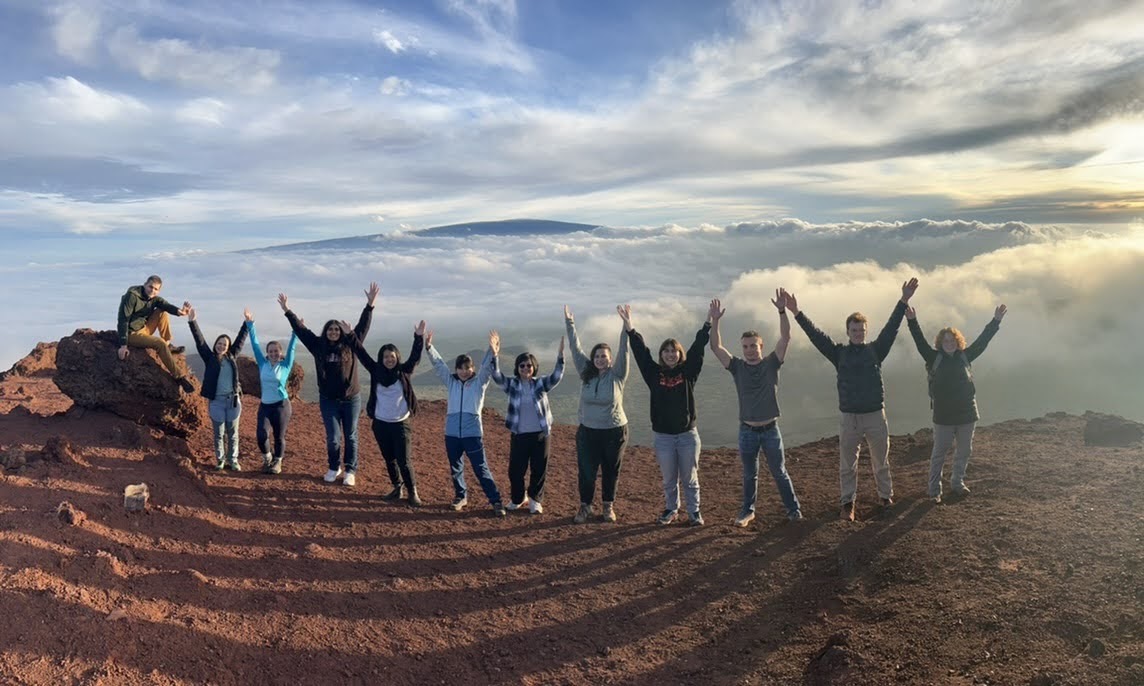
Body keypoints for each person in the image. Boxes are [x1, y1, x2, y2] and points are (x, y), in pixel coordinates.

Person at [787, 278, 918, 521]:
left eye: (862, 331)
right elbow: (817, 337)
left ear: (866, 332)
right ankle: (848, 504)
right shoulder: (839, 353)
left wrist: (903, 301)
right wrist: (797, 313)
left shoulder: (876, 350)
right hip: (849, 417)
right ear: (848, 332)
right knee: (847, 464)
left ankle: (885, 496)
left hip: (874, 415)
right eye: (854, 330)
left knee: (881, 461)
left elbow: (891, 329)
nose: (858, 334)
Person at [709, 292, 802, 527]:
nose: (750, 350)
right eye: (746, 346)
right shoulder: (737, 367)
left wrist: (782, 311)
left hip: (771, 429)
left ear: (761, 346)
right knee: (749, 474)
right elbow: (715, 346)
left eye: (754, 346)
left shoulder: (772, 363)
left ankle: (793, 510)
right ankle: (747, 511)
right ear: (742, 348)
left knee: (780, 472)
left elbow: (786, 337)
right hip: (747, 430)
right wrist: (715, 320)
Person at [279, 283, 378, 486]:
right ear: (326, 331)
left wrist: (369, 305)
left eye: (337, 329)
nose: (333, 331)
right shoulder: (318, 346)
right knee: (333, 437)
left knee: (350, 435)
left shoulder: (351, 343)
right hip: (328, 400)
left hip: (351, 399)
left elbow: (363, 326)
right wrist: (287, 311)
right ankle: (334, 467)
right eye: (330, 329)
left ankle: (350, 470)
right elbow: (301, 330)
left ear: (341, 331)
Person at [906, 303, 1006, 502]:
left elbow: (982, 341)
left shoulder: (965, 356)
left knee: (964, 451)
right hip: (943, 415)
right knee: (939, 453)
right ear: (940, 342)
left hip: (967, 413)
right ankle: (934, 490)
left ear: (957, 341)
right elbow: (919, 341)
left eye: (952, 340)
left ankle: (957, 482)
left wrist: (996, 321)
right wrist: (911, 321)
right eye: (945, 340)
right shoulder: (933, 357)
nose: (949, 343)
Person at [627, 305, 709, 526]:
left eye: (674, 351)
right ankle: (671, 509)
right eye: (667, 351)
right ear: (661, 354)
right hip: (663, 436)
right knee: (669, 479)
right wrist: (630, 330)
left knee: (690, 478)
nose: (671, 354)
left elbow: (697, 349)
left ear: (679, 354)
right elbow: (642, 355)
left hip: (687, 435)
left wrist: (707, 325)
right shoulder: (654, 374)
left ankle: (694, 512)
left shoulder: (688, 373)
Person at [343, 320, 426, 506]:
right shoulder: (375, 371)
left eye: (392, 356)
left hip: (400, 423)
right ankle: (397, 488)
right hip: (380, 423)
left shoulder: (404, 371)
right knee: (389, 459)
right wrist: (350, 335)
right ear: (381, 358)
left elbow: (415, 357)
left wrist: (418, 337)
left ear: (397, 357)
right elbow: (361, 353)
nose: (389, 359)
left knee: (403, 460)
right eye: (386, 357)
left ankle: (412, 491)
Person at [426, 329, 505, 517]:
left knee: (481, 468)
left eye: (467, 368)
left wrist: (493, 352)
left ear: (473, 369)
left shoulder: (479, 383)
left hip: (472, 434)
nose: (463, 371)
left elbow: (487, 368)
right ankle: (461, 496)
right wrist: (429, 347)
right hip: (452, 434)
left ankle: (496, 501)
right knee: (456, 468)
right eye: (460, 368)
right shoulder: (451, 382)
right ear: (456, 369)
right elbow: (439, 366)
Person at [565, 305, 630, 524]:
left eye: (604, 356)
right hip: (588, 432)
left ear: (611, 360)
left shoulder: (617, 375)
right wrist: (570, 323)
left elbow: (624, 349)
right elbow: (575, 348)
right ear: (593, 358)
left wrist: (626, 325)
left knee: (611, 470)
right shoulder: (586, 373)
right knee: (586, 471)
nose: (601, 358)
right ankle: (585, 507)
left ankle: (608, 506)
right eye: (597, 355)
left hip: (614, 431)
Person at [489, 332, 565, 515]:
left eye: (529, 365)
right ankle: (518, 498)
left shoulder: (540, 384)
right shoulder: (513, 385)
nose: (526, 368)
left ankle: (535, 500)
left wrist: (561, 356)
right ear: (517, 368)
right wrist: (495, 355)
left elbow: (556, 376)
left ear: (534, 367)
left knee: (539, 470)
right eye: (522, 365)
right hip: (519, 434)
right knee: (515, 470)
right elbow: (497, 376)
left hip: (540, 434)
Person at [187, 306, 249, 471]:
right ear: (216, 345)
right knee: (219, 433)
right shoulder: (210, 358)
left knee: (233, 433)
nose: (222, 346)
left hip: (233, 400)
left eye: (225, 344)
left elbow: (241, 340)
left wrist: (247, 323)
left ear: (228, 347)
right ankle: (220, 460)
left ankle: (233, 460)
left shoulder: (231, 356)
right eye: (219, 343)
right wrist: (192, 321)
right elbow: (199, 341)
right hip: (216, 402)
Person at [116, 275, 195, 392]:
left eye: (156, 289)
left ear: (159, 290)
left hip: (144, 329)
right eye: (150, 287)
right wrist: (123, 345)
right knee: (159, 343)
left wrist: (180, 312)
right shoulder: (132, 296)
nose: (152, 291)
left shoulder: (154, 298)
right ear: (145, 284)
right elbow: (123, 319)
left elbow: (166, 305)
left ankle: (168, 345)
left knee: (162, 312)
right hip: (131, 334)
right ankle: (179, 377)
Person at [246, 309, 299, 475]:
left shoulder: (285, 365)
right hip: (265, 405)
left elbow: (292, 347)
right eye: (271, 351)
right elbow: (255, 345)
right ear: (267, 353)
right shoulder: (263, 363)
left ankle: (278, 462)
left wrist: (296, 330)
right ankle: (267, 458)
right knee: (261, 435)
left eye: (276, 351)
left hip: (281, 405)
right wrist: (250, 324)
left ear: (280, 353)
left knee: (279, 436)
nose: (274, 353)